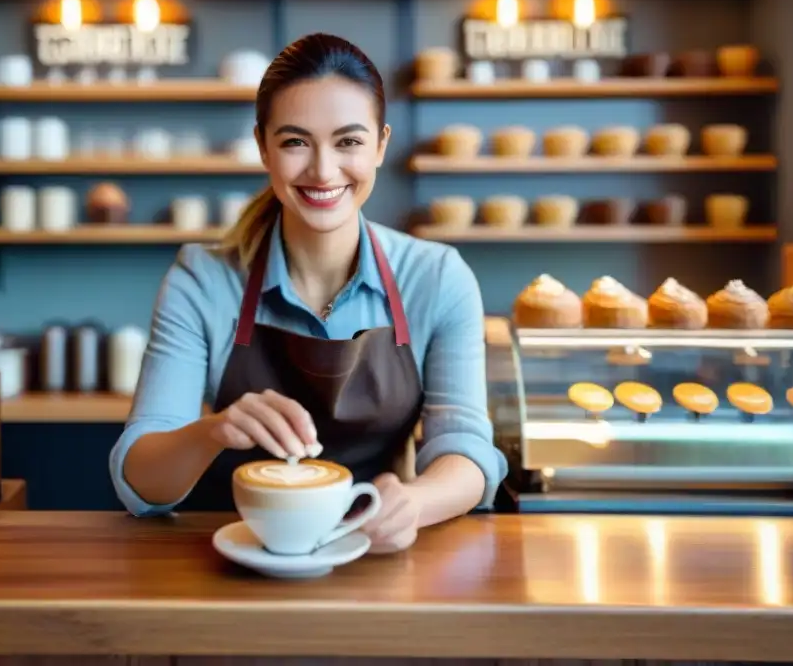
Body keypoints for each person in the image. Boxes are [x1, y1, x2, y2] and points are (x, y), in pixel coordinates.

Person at [110, 32, 508, 554]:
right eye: (296, 141)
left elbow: (466, 449)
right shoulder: (202, 278)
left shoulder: (436, 276)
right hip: (232, 556)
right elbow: (140, 484)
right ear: (263, 146)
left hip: (379, 555)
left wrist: (413, 504)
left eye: (349, 141)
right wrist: (213, 430)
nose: (323, 170)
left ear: (381, 145)